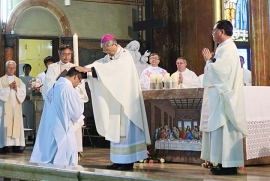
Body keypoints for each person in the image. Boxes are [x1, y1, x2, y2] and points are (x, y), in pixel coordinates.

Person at [76, 34, 151, 170]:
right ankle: (118, 161)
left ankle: (128, 163)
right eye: (104, 51)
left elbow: (112, 69)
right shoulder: (110, 56)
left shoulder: (125, 56)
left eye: (107, 50)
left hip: (126, 102)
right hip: (117, 101)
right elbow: (100, 64)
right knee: (116, 131)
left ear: (114, 44)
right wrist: (86, 69)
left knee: (126, 133)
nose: (106, 53)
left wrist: (89, 70)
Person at [201, 20, 247, 175]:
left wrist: (209, 60)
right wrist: (212, 61)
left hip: (225, 97)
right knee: (220, 132)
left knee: (225, 131)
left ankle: (228, 165)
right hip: (220, 97)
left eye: (214, 30)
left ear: (221, 32)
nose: (212, 33)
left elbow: (221, 72)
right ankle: (221, 163)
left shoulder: (228, 48)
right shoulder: (223, 48)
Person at [30, 67, 85, 166]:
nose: (78, 85)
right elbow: (76, 112)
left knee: (49, 156)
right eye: (79, 81)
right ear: (76, 77)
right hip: (63, 128)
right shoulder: (68, 89)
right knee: (63, 160)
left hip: (50, 127)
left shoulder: (52, 87)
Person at [42, 44, 88, 158]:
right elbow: (48, 85)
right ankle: (58, 149)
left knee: (74, 127)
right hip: (59, 103)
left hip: (71, 101)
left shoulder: (76, 68)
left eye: (68, 54)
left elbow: (81, 84)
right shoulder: (53, 67)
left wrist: (74, 86)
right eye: (64, 54)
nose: (66, 57)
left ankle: (75, 150)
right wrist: (62, 84)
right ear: (59, 54)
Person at [0, 60, 26, 154]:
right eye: (9, 68)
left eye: (13, 68)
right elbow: (1, 93)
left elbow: (23, 94)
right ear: (6, 68)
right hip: (5, 109)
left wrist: (16, 89)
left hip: (16, 108)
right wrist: (9, 88)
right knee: (5, 125)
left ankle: (16, 145)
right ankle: (5, 145)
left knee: (16, 124)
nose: (11, 69)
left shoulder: (19, 81)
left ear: (15, 69)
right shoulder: (1, 80)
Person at [19, 64, 35, 132]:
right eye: (25, 68)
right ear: (23, 70)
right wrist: (22, 96)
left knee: (30, 117)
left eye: (28, 68)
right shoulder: (20, 78)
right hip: (21, 100)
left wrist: (30, 96)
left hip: (29, 100)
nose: (27, 70)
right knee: (22, 117)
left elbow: (35, 90)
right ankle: (22, 134)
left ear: (30, 70)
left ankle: (30, 134)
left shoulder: (33, 79)